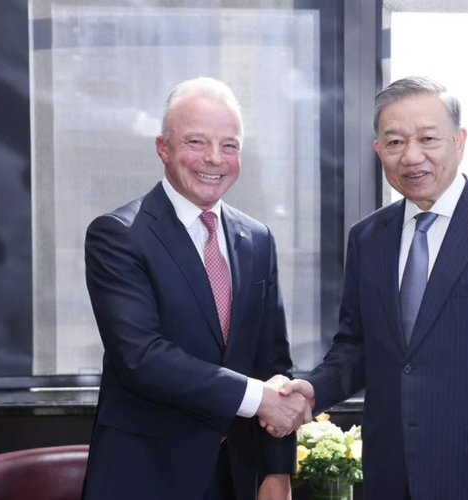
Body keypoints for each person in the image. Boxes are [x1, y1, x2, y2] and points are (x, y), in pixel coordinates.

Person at [274, 76, 468, 499]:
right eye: (394, 143)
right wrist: (313, 390)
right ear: (379, 151)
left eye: (428, 138)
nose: (412, 156)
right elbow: (355, 346)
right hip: (389, 475)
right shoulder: (368, 237)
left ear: (459, 140)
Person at [82, 77, 311, 500]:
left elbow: (273, 360)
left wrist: (278, 471)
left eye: (230, 145)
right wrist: (256, 397)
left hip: (238, 476)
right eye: (196, 141)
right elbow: (142, 358)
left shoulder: (257, 239)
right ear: (163, 148)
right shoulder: (118, 236)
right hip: (146, 476)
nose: (214, 158)